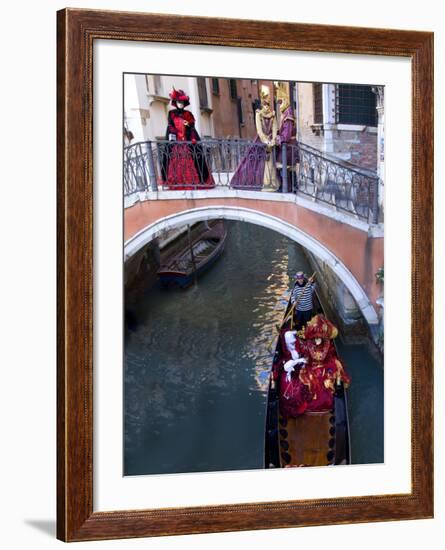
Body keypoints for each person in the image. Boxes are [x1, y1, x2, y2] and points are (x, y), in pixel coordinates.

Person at [278, 314, 350, 418]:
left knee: (329, 378)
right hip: (311, 366)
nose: (316, 340)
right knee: (305, 382)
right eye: (315, 337)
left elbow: (327, 355)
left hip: (325, 365)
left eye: (319, 338)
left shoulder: (327, 344)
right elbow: (304, 350)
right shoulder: (309, 344)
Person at [161, 88, 215, 189]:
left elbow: (192, 127)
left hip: (187, 140)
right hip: (176, 142)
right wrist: (175, 137)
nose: (180, 104)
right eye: (179, 102)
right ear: (175, 102)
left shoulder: (188, 114)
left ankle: (197, 181)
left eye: (182, 102)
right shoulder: (171, 113)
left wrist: (188, 127)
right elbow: (170, 126)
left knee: (195, 158)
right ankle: (176, 182)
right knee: (174, 161)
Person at [231, 85, 280, 191]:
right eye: (265, 99)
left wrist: (272, 140)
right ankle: (262, 184)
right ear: (263, 101)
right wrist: (266, 141)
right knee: (256, 164)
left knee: (270, 164)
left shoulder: (273, 115)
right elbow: (259, 130)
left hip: (270, 142)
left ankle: (270, 184)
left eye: (268, 100)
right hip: (261, 142)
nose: (267, 103)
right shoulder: (258, 114)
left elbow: (275, 129)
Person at [274, 81, 299, 192]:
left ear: (284, 100)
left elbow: (287, 134)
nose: (279, 105)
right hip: (289, 146)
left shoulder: (288, 115)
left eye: (280, 102)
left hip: (289, 146)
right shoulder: (286, 113)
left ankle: (287, 187)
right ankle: (292, 187)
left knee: (281, 165)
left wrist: (278, 139)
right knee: (288, 167)